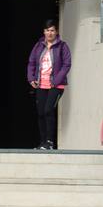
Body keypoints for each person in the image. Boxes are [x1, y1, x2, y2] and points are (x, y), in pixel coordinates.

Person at [25, 21, 69, 150]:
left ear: (56, 32)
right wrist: (31, 78)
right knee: (41, 113)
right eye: (47, 30)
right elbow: (31, 62)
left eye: (52, 30)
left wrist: (57, 80)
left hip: (56, 86)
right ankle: (43, 142)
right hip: (41, 84)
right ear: (44, 32)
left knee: (48, 111)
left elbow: (67, 64)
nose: (49, 33)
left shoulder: (62, 46)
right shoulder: (39, 46)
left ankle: (50, 142)